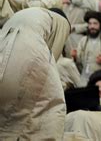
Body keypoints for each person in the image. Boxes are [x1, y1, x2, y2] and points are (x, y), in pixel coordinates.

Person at [0, 7, 71, 140]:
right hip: (30, 55)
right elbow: (52, 54)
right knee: (52, 108)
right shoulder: (62, 22)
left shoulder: (25, 13)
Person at [73, 11, 101, 85]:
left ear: (100, 25)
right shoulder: (83, 40)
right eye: (90, 24)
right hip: (84, 78)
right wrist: (74, 56)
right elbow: (78, 61)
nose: (92, 26)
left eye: (95, 24)